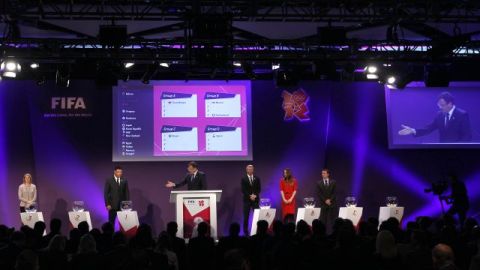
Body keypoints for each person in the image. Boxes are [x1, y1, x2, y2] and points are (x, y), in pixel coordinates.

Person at [398, 92, 472, 143]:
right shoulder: (440, 115)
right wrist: (413, 130)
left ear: (450, 104)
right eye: (439, 105)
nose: (440, 108)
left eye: (442, 105)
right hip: (443, 151)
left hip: (457, 153)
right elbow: (429, 128)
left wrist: (457, 149)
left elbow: (467, 136)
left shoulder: (462, 115)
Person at [240, 164, 261, 235]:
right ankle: (245, 232)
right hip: (247, 201)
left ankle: (259, 230)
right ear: (246, 170)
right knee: (246, 217)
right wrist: (250, 196)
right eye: (248, 169)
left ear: (253, 170)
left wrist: (255, 195)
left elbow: (259, 189)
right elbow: (243, 190)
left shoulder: (257, 178)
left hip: (255, 200)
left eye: (251, 169)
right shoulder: (243, 178)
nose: (250, 170)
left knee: (258, 215)